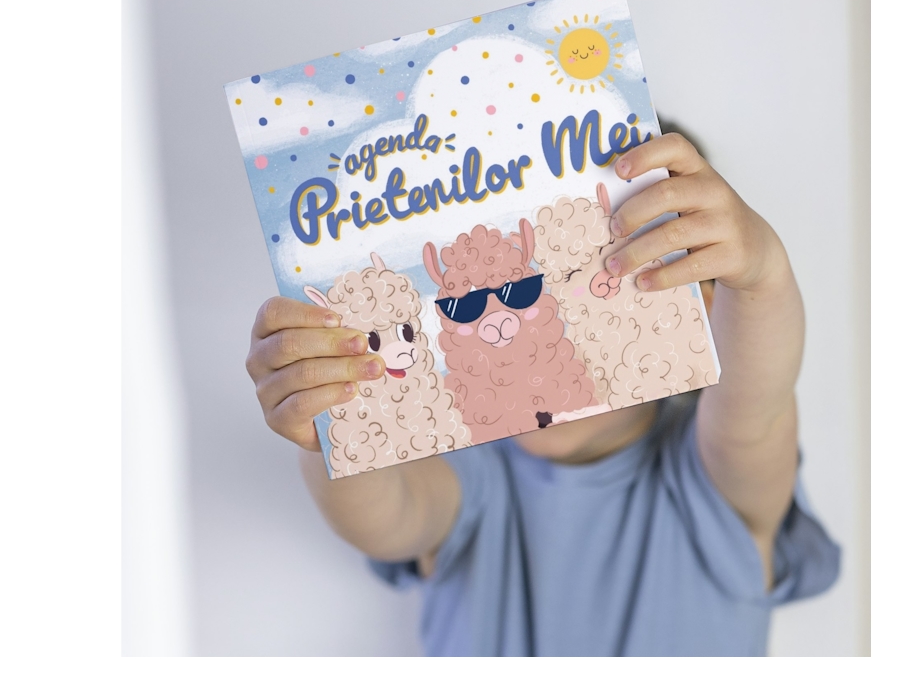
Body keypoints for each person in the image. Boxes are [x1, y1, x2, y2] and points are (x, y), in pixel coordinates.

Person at [244, 124, 840, 656]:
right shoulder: (468, 474)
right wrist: (332, 418)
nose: (508, 329)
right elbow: (385, 517)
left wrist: (761, 278)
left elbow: (755, 407)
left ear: (701, 314)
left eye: (591, 281)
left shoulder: (711, 479)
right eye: (473, 305)